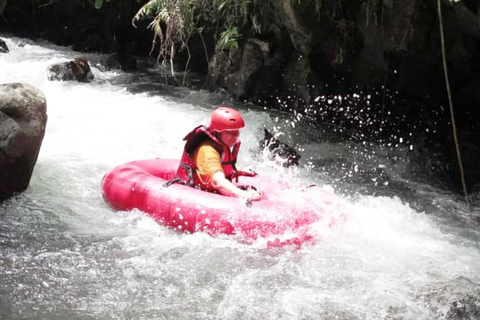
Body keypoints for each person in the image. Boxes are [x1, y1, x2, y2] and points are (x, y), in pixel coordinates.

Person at [172, 106, 261, 201]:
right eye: (229, 132)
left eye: (236, 131)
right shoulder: (207, 151)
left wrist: (240, 171)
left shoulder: (221, 145)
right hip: (192, 195)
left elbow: (220, 168)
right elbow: (217, 182)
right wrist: (243, 195)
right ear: (216, 132)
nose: (235, 136)